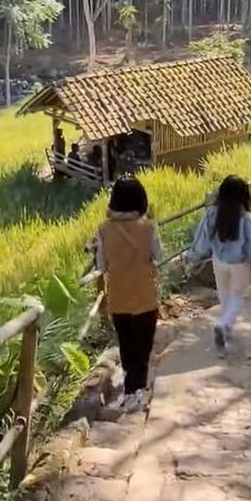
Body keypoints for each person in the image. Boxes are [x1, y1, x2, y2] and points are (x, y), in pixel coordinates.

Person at [95, 176, 161, 412]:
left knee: (127, 346)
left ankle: (132, 389)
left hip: (119, 298)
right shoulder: (149, 227)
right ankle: (136, 391)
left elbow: (101, 266)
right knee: (142, 349)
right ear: (141, 200)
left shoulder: (103, 230)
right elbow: (158, 255)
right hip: (145, 297)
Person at [186, 175, 251, 349]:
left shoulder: (212, 213)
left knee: (224, 295)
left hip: (218, 261)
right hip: (239, 263)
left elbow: (202, 239)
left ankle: (225, 327)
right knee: (238, 296)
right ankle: (224, 325)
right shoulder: (245, 217)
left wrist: (191, 256)